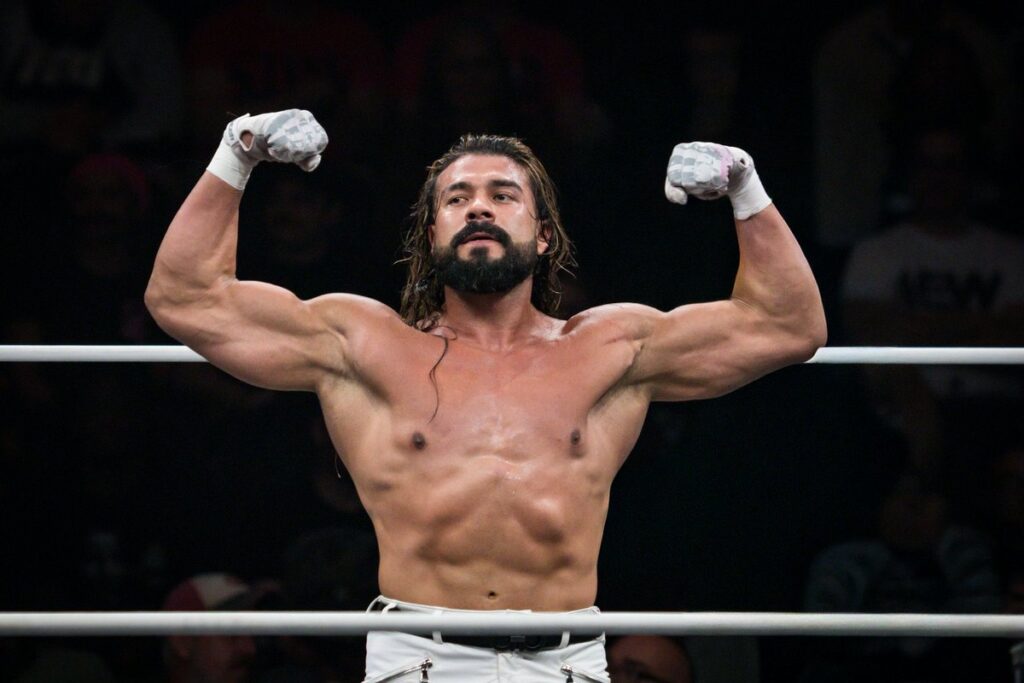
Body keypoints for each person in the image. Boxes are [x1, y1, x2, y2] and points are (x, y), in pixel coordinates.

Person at [145, 109, 826, 681]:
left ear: (544, 234)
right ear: (432, 234)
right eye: (456, 198)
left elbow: (789, 326)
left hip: (566, 660)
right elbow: (184, 297)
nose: (478, 206)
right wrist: (238, 150)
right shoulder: (362, 343)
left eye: (503, 195)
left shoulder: (611, 347)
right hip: (420, 658)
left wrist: (747, 190)